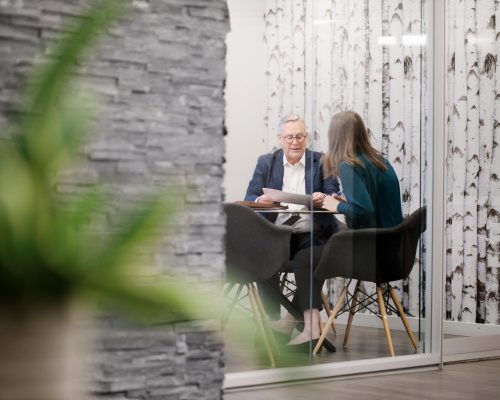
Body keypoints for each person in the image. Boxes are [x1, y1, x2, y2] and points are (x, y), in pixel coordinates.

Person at [284, 110, 404, 349]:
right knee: (316, 254)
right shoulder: (378, 160)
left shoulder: (349, 165)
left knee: (305, 258)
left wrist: (332, 204)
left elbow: (363, 212)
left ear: (335, 136)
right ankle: (292, 321)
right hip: (393, 249)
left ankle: (307, 329)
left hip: (371, 253)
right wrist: (343, 201)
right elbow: (369, 205)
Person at [244, 114, 340, 320]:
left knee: (315, 260)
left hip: (311, 231)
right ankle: (272, 321)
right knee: (262, 258)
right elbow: (250, 196)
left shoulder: (322, 161)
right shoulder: (266, 162)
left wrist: (323, 197)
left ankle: (296, 321)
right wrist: (261, 201)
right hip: (277, 233)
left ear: (306, 138)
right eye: (289, 137)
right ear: (280, 138)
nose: (295, 142)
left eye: (299, 137)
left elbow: (334, 194)